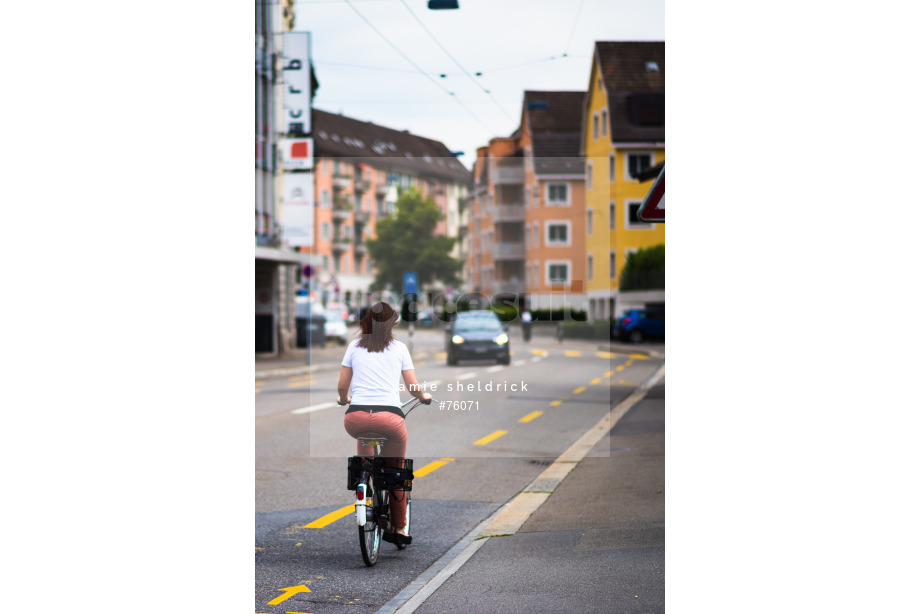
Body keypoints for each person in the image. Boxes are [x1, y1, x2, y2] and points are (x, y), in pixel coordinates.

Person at [336, 302, 432, 546]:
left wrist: (345, 399)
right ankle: (399, 529)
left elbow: (342, 386)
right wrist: (423, 397)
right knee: (395, 472)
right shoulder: (399, 348)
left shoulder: (353, 347)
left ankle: (363, 481)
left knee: (365, 448)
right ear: (392, 325)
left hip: (355, 418)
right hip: (390, 419)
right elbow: (412, 387)